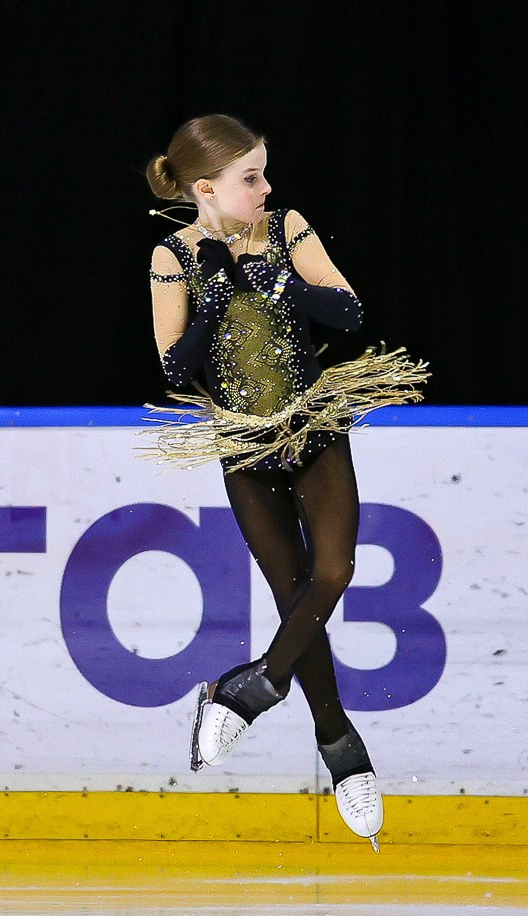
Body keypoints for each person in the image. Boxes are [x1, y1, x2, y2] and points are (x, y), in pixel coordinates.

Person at [145, 114, 429, 851]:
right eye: (251, 178)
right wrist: (212, 309)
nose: (266, 188)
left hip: (310, 421)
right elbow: (177, 369)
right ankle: (341, 748)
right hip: (244, 441)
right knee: (293, 593)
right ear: (206, 188)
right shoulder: (172, 255)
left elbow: (349, 309)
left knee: (335, 570)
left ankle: (252, 689)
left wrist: (281, 285)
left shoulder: (287, 227)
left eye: (265, 173)